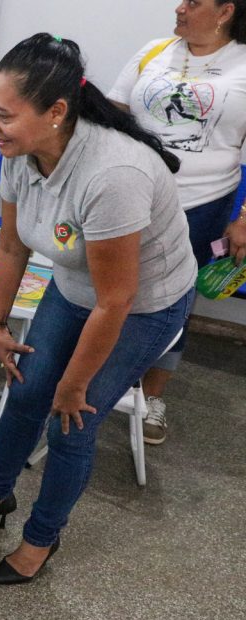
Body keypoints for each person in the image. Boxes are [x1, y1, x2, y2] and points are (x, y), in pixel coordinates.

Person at [0, 34, 197, 584]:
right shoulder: (20, 152)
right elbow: (10, 246)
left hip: (142, 306)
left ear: (56, 112)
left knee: (71, 421)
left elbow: (118, 299)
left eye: (3, 114)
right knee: (27, 390)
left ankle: (41, 538)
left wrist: (76, 384)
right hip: (78, 287)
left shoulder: (112, 175)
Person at [108, 0, 246, 444]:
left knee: (174, 301)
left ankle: (152, 398)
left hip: (201, 205)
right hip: (133, 196)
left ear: (225, 11)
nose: (180, 7)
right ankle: (96, 376)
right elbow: (112, 117)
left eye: (194, 2)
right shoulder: (154, 51)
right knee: (110, 288)